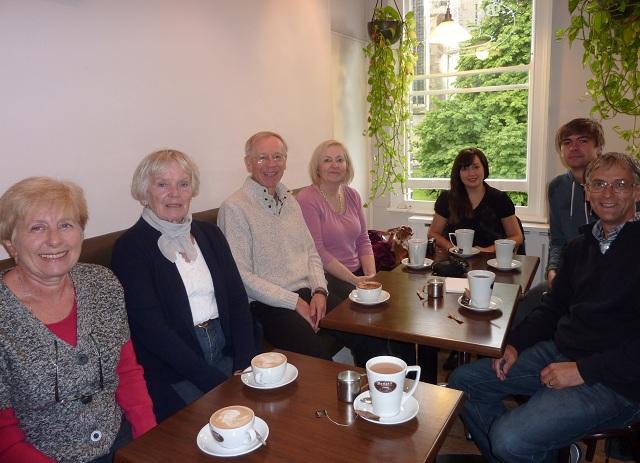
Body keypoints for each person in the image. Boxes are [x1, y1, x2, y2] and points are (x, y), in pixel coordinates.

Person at [448, 151, 640, 463]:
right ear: (587, 192)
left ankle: (534, 451)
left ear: (637, 191)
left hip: (617, 381)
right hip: (562, 352)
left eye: (620, 184)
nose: (608, 193)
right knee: (463, 383)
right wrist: (515, 345)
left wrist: (582, 371)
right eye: (599, 184)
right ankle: (549, 454)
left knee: (509, 439)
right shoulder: (581, 247)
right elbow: (553, 307)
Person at [0, 177, 156, 463]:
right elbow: (4, 435)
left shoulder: (102, 284)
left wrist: (149, 444)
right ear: (11, 244)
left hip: (121, 442)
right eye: (37, 227)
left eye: (65, 225)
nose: (55, 239)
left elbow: (128, 373)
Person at [217, 131, 390, 366]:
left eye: (277, 157)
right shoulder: (235, 208)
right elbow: (242, 276)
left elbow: (311, 253)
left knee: (368, 335)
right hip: (269, 304)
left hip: (309, 291)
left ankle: (382, 398)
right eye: (262, 158)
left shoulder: (290, 200)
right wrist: (294, 302)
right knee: (320, 361)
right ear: (248, 162)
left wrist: (320, 290)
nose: (271, 164)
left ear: (285, 161)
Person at [111, 150, 257, 422]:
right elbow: (153, 332)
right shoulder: (131, 248)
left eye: (183, 184)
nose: (174, 193)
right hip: (173, 368)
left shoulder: (209, 234)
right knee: (218, 428)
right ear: (145, 191)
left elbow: (237, 300)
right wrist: (218, 384)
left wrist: (244, 366)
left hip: (226, 351)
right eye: (162, 184)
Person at [512, 118, 603, 328]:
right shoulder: (557, 187)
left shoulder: (613, 186)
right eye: (567, 142)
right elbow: (558, 239)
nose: (574, 147)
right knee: (519, 317)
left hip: (606, 281)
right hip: (569, 277)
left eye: (582, 141)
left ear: (598, 148)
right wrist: (553, 269)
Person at [296, 140, 375, 300]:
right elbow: (318, 250)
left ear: (347, 166)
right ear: (317, 167)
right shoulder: (307, 198)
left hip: (356, 274)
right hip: (326, 277)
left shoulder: (352, 195)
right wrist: (355, 281)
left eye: (340, 160)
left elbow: (363, 240)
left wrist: (371, 276)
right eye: (327, 160)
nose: (334, 165)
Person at [428, 147, 523, 253]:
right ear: (458, 173)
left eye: (476, 167)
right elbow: (433, 233)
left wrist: (488, 250)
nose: (471, 173)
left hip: (491, 261)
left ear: (484, 168)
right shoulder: (446, 199)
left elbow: (517, 237)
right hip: (456, 261)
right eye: (465, 168)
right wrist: (451, 247)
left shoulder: (500, 199)